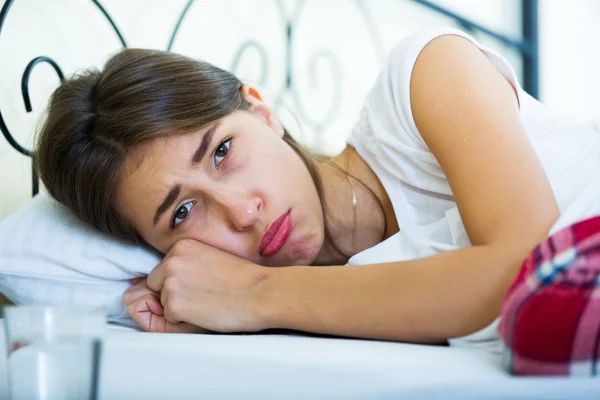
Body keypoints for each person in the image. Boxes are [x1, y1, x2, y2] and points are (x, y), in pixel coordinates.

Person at [35, 27, 600, 369]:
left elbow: (530, 272)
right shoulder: (323, 310)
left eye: (222, 151)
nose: (242, 209)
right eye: (183, 213)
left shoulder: (424, 76)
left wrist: (255, 295)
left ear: (261, 109)